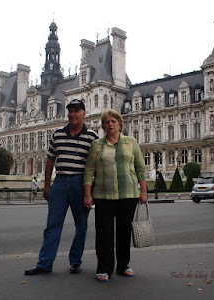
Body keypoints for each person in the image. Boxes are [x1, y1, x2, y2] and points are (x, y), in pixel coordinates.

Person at [25, 99, 98, 275]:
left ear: (84, 114)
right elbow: (50, 160)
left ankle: (75, 261)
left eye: (77, 110)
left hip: (80, 183)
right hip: (60, 182)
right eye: (70, 110)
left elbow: (96, 165)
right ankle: (44, 263)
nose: (73, 114)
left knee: (81, 225)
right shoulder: (57, 134)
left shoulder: (92, 137)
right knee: (52, 225)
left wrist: (91, 191)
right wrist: (47, 185)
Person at [84, 108, 147, 282]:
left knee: (124, 232)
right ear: (103, 126)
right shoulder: (97, 145)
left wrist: (143, 191)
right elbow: (89, 171)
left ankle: (123, 265)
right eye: (106, 122)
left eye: (113, 121)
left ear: (120, 123)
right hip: (103, 196)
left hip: (128, 194)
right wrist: (88, 195)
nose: (110, 124)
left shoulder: (131, 142)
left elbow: (140, 169)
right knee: (104, 233)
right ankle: (104, 268)